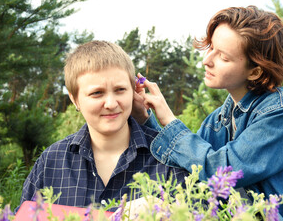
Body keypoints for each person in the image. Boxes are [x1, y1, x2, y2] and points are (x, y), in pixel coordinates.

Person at [133, 6, 283, 220]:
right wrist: (145, 117)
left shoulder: (282, 111)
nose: (207, 60)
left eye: (223, 56)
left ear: (255, 71)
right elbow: (188, 171)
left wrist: (169, 120)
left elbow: (222, 172)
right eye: (211, 47)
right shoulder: (217, 121)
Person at [18, 41, 189, 212]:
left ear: (134, 91)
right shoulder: (51, 162)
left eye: (120, 89)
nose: (111, 103)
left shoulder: (167, 158)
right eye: (97, 93)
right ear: (74, 99)